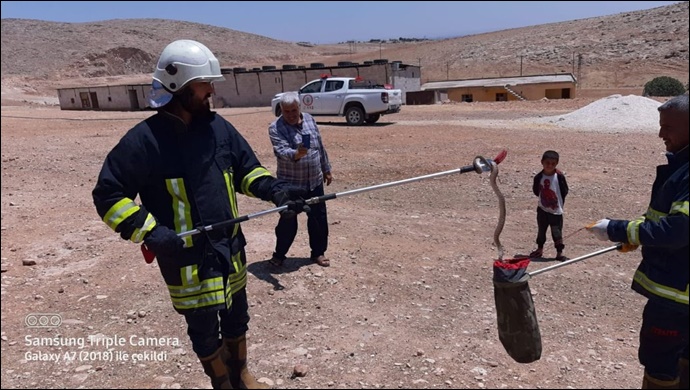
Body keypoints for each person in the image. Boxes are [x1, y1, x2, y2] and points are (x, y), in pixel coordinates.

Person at [92, 39, 305, 389]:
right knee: (204, 331)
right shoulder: (144, 140)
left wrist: (276, 191)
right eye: (203, 84)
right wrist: (148, 230)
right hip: (186, 260)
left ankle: (241, 377)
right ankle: (221, 384)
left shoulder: (219, 128)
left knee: (238, 319)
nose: (210, 90)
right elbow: (109, 195)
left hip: (230, 250)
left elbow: (247, 170)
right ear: (179, 86)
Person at [587, 94, 688, 389]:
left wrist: (617, 230)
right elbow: (666, 223)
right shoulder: (682, 166)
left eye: (668, 127)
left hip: (676, 299)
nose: (661, 134)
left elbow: (678, 230)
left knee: (661, 365)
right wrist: (641, 237)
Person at [268, 91, 333, 267]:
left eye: (294, 110)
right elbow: (280, 151)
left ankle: (318, 253)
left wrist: (326, 169)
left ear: (299, 107)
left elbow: (319, 145)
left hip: (314, 180)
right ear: (281, 109)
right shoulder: (275, 128)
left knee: (318, 219)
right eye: (286, 111)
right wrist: (296, 154)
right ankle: (279, 254)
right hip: (291, 185)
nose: (290, 115)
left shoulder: (310, 120)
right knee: (287, 220)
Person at [529, 150, 569, 261]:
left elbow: (564, 190)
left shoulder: (559, 176)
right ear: (542, 162)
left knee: (556, 232)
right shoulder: (538, 177)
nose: (549, 165)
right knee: (541, 230)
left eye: (553, 163)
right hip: (542, 209)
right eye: (547, 163)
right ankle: (539, 249)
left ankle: (559, 253)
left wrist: (557, 202)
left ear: (556, 163)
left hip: (556, 211)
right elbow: (536, 191)